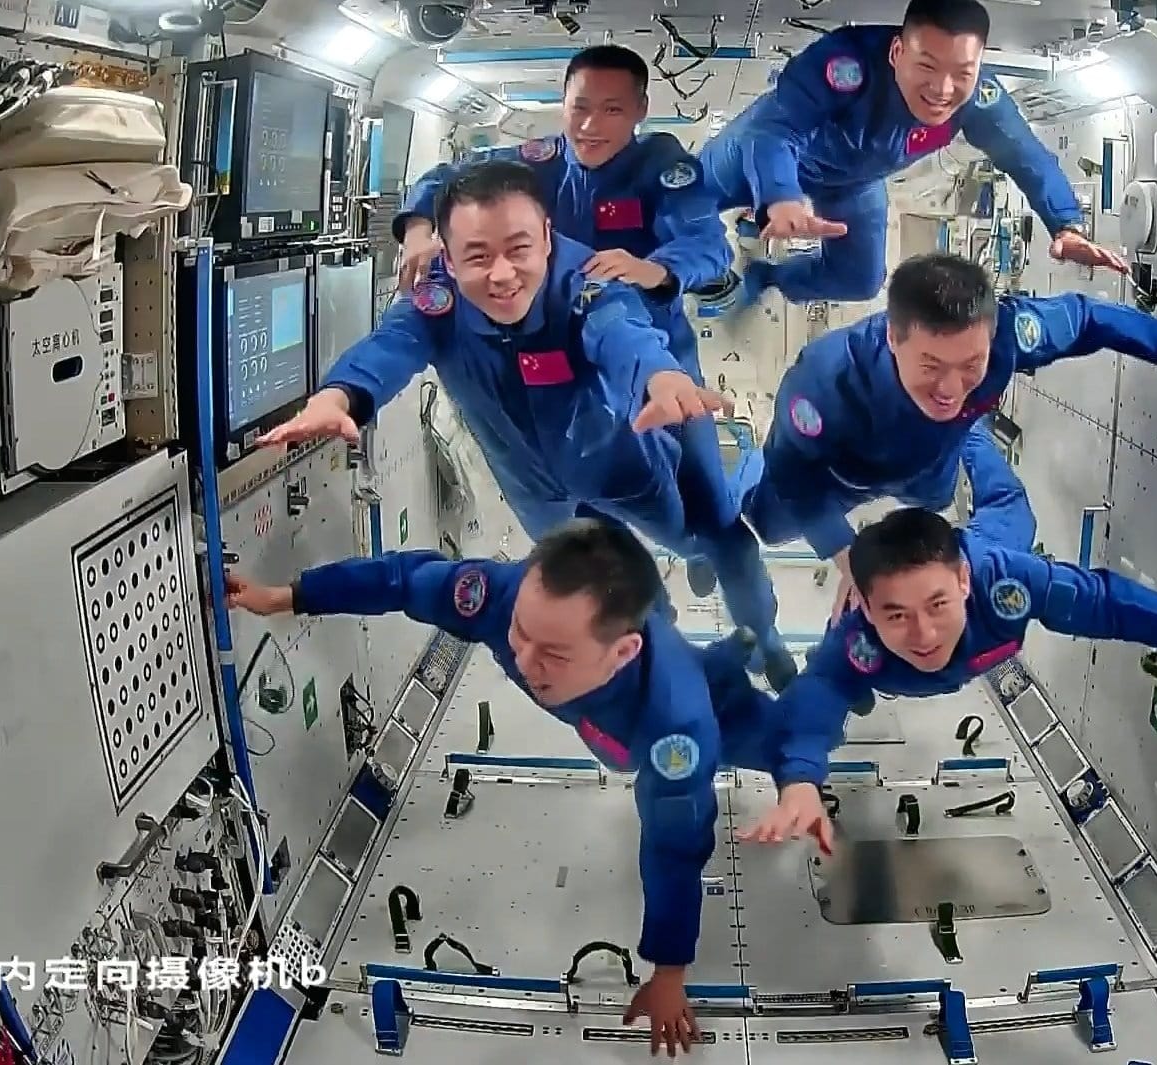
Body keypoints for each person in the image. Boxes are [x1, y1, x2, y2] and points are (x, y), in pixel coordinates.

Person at [224, 519, 778, 1056]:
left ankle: (742, 659)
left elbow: (674, 850)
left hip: (696, 713)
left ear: (622, 651)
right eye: (519, 635)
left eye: (553, 654)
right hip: (606, 703)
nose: (523, 660)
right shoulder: (504, 597)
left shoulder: (675, 725)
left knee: (780, 745)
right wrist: (289, 595)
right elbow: (403, 580)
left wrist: (669, 971)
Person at [260, 159, 794, 689]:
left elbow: (621, 332)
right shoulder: (437, 299)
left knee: (709, 539)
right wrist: (340, 396)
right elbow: (390, 345)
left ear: (545, 234)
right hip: (536, 491)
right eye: (477, 256)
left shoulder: (584, 282)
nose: (501, 275)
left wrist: (661, 376)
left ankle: (763, 636)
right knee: (609, 586)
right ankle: (659, 643)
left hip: (615, 462)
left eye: (519, 250)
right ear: (447, 254)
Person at [738, 506, 1157, 851]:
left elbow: (1114, 605)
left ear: (964, 584)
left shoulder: (1006, 583)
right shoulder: (857, 643)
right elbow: (815, 701)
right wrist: (800, 781)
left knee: (1013, 508)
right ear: (864, 607)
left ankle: (972, 435)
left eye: (937, 606)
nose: (922, 634)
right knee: (843, 691)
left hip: (993, 548)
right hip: (885, 673)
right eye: (895, 614)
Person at [388, 48, 744, 600]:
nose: (589, 126)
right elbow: (445, 178)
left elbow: (709, 247)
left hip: (650, 349)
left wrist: (653, 268)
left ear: (640, 111)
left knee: (704, 486)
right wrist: (416, 227)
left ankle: (706, 551)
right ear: (562, 104)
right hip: (559, 356)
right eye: (579, 108)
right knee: (574, 482)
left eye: (611, 110)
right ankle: (630, 594)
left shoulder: (663, 169)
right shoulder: (537, 162)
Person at [741, 251, 1157, 611]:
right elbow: (792, 473)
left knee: (936, 494)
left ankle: (967, 438)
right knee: (767, 523)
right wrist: (846, 556)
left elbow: (1089, 318)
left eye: (971, 364)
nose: (950, 385)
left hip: (931, 466)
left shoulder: (1010, 332)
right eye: (931, 364)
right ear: (893, 337)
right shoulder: (825, 381)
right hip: (840, 474)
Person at [699, 0, 1129, 310]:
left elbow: (1026, 156)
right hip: (771, 151)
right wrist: (780, 195)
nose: (943, 90)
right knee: (679, 202)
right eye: (927, 66)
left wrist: (1066, 225)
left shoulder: (978, 100)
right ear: (897, 52)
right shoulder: (845, 63)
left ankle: (767, 275)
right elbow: (777, 128)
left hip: (854, 182)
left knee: (861, 281)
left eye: (962, 72)